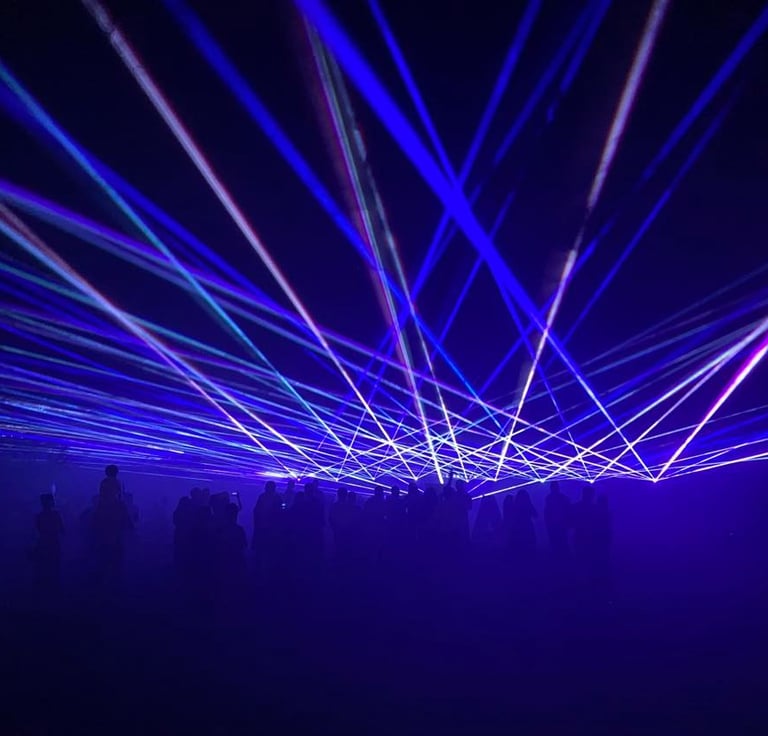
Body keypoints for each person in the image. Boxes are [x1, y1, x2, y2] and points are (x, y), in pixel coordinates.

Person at [33, 493, 64, 587]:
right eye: (51, 500)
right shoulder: (55, 514)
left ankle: (46, 584)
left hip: (45, 542)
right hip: (52, 541)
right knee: (53, 563)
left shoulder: (39, 516)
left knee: (46, 563)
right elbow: (62, 529)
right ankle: (53, 584)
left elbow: (38, 529)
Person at [544, 481, 571, 559]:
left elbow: (547, 511)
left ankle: (558, 559)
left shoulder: (549, 498)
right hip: (558, 524)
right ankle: (562, 559)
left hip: (557, 524)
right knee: (560, 542)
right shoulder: (563, 497)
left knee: (557, 542)